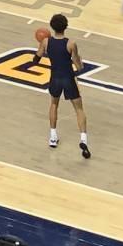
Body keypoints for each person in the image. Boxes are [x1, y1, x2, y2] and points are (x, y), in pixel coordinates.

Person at [43, 13, 88, 158]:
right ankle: (83, 139)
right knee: (79, 108)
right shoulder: (70, 44)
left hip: (55, 77)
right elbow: (78, 66)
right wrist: (80, 62)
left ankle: (53, 137)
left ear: (52, 26)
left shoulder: (45, 42)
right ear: (66, 26)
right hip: (68, 78)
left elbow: (36, 57)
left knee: (54, 105)